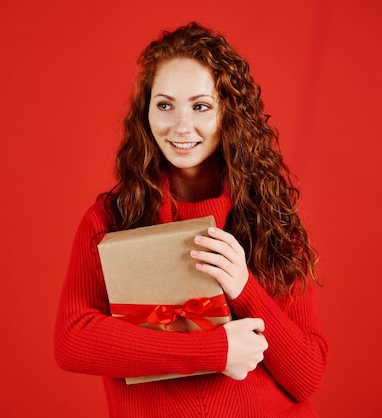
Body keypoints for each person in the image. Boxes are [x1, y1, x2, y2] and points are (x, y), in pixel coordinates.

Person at [54, 22, 329, 417]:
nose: (181, 127)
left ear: (228, 113)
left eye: (201, 106)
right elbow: (72, 339)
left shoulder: (270, 216)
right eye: (165, 105)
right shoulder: (110, 220)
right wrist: (215, 351)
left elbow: (308, 376)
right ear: (145, 110)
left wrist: (243, 288)